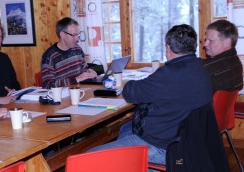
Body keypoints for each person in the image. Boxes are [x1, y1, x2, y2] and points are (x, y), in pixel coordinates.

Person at [88, 24, 213, 165]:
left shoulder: (168, 74)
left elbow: (130, 93)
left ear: (168, 48)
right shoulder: (201, 68)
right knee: (125, 129)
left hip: (163, 147)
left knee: (89, 158)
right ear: (193, 46)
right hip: (189, 142)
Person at [41, 17, 97, 88]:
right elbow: (48, 85)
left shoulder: (78, 49)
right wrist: (75, 79)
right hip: (61, 97)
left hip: (78, 91)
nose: (77, 39)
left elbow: (83, 69)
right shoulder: (49, 56)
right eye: (74, 35)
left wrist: (88, 72)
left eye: (78, 35)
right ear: (62, 35)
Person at [203, 19, 243, 92]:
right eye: (206, 40)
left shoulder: (207, 67)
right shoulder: (236, 63)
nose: (205, 44)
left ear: (227, 42)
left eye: (211, 40)